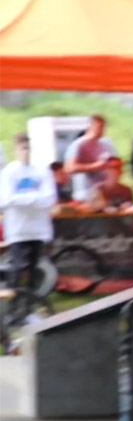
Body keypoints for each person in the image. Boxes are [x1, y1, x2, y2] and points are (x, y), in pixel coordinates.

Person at [0, 134, 57, 326]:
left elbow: (49, 199)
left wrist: (23, 199)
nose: (26, 152)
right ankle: (12, 312)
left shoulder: (41, 170)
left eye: (28, 148)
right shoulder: (9, 172)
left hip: (37, 229)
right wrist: (35, 198)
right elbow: (6, 199)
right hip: (17, 230)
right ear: (16, 150)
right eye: (22, 148)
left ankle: (28, 310)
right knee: (16, 270)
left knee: (34, 270)